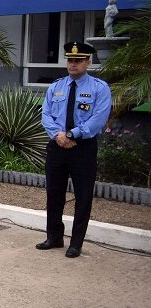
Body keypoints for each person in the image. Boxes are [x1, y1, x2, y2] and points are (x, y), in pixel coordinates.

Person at [36, 42, 111, 258]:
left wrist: (72, 134)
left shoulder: (99, 88)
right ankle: (54, 237)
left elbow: (99, 119)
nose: (73, 64)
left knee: (83, 195)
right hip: (57, 145)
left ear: (88, 62)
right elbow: (46, 115)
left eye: (78, 61)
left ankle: (76, 243)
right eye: (70, 60)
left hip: (83, 148)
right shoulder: (56, 86)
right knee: (54, 192)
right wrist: (59, 136)